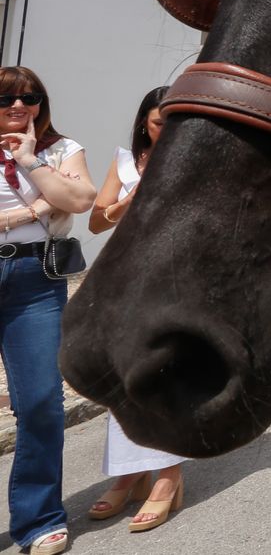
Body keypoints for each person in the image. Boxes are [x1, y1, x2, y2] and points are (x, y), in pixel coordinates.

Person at [0, 67, 96, 555]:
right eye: (6, 97)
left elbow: (79, 198)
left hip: (34, 282)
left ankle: (38, 520)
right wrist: (32, 211)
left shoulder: (60, 149)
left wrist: (29, 159)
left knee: (40, 402)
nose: (19, 106)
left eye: (30, 97)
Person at [87, 87, 186, 532]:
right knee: (120, 374)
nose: (165, 128)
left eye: (173, 120)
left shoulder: (194, 158)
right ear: (144, 123)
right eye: (158, 121)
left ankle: (168, 476)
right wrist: (128, 202)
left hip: (176, 276)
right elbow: (96, 218)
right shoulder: (125, 160)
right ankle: (130, 470)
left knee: (163, 371)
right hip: (124, 275)